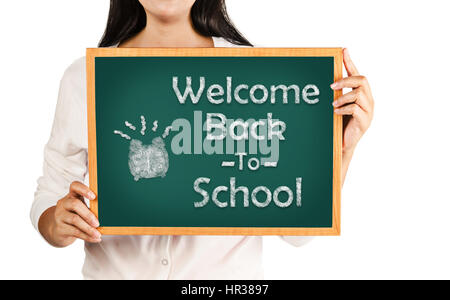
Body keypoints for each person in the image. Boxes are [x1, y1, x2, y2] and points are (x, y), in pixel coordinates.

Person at [31, 0, 374, 280]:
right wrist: (56, 222)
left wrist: (342, 149)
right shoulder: (83, 78)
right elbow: (50, 194)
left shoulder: (258, 77)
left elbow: (297, 233)